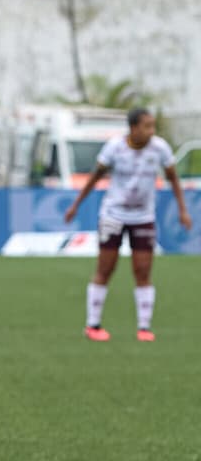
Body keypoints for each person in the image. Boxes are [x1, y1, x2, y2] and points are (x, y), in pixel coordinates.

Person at [64, 107, 191, 342]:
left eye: (153, 126)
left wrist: (183, 210)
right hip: (113, 215)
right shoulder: (114, 147)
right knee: (105, 269)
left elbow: (173, 178)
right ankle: (93, 325)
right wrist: (75, 205)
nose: (151, 131)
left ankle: (144, 328)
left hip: (143, 217)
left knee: (143, 271)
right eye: (147, 126)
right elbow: (95, 177)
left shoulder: (160, 148)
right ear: (133, 128)